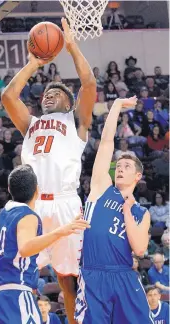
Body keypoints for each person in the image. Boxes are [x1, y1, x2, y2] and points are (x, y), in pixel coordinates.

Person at [1, 18, 96, 324]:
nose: (48, 96)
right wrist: (33, 63)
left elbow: (89, 84)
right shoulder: (30, 124)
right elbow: (8, 97)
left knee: (68, 277)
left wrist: (71, 47)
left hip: (67, 203)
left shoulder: (75, 122)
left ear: (69, 103)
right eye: (45, 95)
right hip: (34, 203)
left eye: (56, 94)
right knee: (21, 269)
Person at [0, 165, 90, 324]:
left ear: (9, 189)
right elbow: (25, 248)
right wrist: (61, 231)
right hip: (17, 297)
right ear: (37, 190)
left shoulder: (4, 214)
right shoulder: (27, 216)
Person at [75, 97, 153, 324]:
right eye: (118, 166)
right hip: (93, 273)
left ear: (137, 176)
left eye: (126, 166)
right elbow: (107, 142)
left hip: (124, 276)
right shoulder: (101, 187)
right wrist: (116, 106)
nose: (120, 168)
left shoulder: (141, 213)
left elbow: (139, 249)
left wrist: (127, 210)